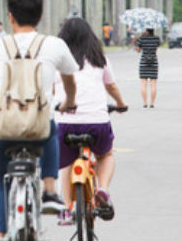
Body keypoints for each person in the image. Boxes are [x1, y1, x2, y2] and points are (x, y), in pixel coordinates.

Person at [0, 0, 79, 238]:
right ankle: (50, 191)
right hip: (39, 128)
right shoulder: (54, 45)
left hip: (3, 129)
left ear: (10, 17)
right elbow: (69, 81)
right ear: (40, 16)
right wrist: (69, 102)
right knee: (52, 129)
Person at [55, 18, 127, 225]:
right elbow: (111, 87)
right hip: (97, 123)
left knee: (66, 163)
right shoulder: (99, 58)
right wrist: (121, 104)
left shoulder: (58, 60)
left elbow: (49, 90)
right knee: (105, 155)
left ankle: (67, 209)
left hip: (65, 124)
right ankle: (102, 189)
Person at [136, 28, 161, 108]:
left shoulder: (142, 39)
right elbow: (156, 49)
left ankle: (145, 103)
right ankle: (152, 103)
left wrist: (141, 38)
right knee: (153, 83)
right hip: (154, 62)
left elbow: (138, 50)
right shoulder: (157, 39)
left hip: (144, 62)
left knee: (143, 83)